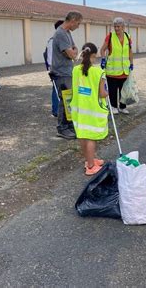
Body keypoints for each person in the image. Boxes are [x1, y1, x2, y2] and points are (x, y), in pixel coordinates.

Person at [70, 43, 108, 175]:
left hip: (78, 109)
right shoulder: (98, 72)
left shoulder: (75, 70)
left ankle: (89, 160)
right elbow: (102, 94)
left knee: (82, 136)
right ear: (94, 55)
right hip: (93, 110)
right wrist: (109, 93)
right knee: (91, 137)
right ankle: (91, 166)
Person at [51, 11, 82, 139]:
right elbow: (72, 54)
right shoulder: (60, 34)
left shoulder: (67, 33)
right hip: (61, 73)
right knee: (64, 100)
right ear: (73, 20)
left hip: (68, 71)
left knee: (69, 100)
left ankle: (69, 126)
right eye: (78, 23)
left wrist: (72, 52)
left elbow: (75, 49)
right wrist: (71, 52)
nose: (78, 26)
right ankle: (62, 128)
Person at [99, 17, 133, 115]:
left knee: (124, 90)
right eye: (115, 26)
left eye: (118, 26)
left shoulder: (128, 36)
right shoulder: (110, 36)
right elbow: (102, 50)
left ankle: (122, 107)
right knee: (113, 90)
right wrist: (103, 59)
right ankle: (113, 106)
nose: (116, 28)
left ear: (123, 27)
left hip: (124, 70)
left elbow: (130, 51)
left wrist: (131, 63)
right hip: (112, 70)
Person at [43, 19, 64, 117]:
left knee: (61, 89)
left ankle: (61, 110)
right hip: (56, 70)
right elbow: (50, 58)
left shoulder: (60, 39)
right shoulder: (53, 41)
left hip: (62, 69)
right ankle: (55, 111)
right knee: (56, 90)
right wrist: (53, 70)